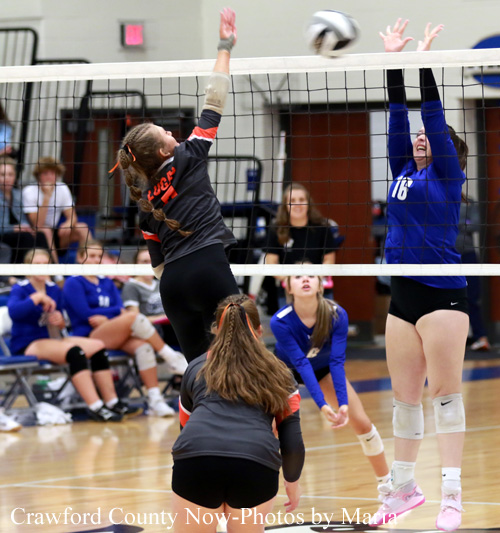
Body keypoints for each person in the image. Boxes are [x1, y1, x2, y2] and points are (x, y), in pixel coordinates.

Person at [370, 20, 471, 531]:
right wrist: (395, 62)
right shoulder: (403, 171)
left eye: (429, 137)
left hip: (442, 296)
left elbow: (431, 115)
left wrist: (424, 62)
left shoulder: (448, 176)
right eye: (418, 137)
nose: (419, 137)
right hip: (403, 294)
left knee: (445, 398)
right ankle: (404, 489)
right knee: (404, 401)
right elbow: (398, 116)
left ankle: (452, 496)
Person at [113, 8, 240, 362]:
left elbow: (157, 266)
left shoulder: (145, 202)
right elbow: (215, 99)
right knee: (242, 358)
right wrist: (225, 47)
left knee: (197, 369)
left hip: (172, 287)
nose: (172, 132)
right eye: (165, 132)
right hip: (208, 266)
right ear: (162, 151)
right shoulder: (189, 155)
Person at [172, 294, 304, 533]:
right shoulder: (280, 372)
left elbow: (185, 427)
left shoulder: (196, 368)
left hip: (197, 458)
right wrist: (292, 482)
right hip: (254, 461)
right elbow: (292, 440)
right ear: (260, 331)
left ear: (216, 330)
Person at [271, 271, 391, 498]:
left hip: (323, 369)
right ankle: (250, 494)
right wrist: (322, 405)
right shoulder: (280, 320)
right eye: (297, 276)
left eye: (311, 276)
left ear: (321, 284)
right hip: (284, 372)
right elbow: (301, 364)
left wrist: (342, 403)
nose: (305, 279)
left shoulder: (337, 314)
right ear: (288, 287)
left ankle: (387, 487)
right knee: (271, 431)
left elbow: (336, 362)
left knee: (362, 423)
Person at [8, 248, 136, 422]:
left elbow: (63, 322)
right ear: (27, 266)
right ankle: (95, 407)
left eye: (45, 264)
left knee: (98, 347)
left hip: (53, 339)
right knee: (75, 353)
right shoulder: (20, 288)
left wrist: (59, 320)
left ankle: (112, 402)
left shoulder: (53, 289)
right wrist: (36, 298)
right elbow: (14, 312)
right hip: (28, 343)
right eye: (37, 264)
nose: (42, 267)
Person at [63, 240, 185, 417]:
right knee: (133, 317)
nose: (96, 260)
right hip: (88, 337)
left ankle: (155, 400)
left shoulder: (106, 282)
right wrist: (112, 315)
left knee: (144, 347)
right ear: (80, 257)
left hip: (111, 333)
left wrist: (107, 318)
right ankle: (171, 357)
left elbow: (120, 308)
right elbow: (85, 314)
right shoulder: (73, 282)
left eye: (99, 256)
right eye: (91, 256)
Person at [263, 183, 342, 307]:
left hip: (320, 290)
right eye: (292, 201)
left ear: (308, 203)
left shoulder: (322, 227)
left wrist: (313, 279)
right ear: (285, 205)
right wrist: (290, 279)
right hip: (289, 290)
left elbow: (329, 260)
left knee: (325, 320)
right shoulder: (276, 229)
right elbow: (271, 263)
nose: (297, 204)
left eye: (301, 200)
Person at [22, 156, 92, 259]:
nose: (49, 177)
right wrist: (47, 197)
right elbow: (38, 225)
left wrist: (69, 223)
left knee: (82, 228)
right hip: (35, 235)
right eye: (45, 173)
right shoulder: (29, 191)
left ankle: (90, 262)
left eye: (53, 173)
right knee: (46, 230)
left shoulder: (62, 188)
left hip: (56, 233)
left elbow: (72, 216)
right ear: (38, 175)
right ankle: (55, 268)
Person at [122, 247, 179, 347]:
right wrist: (162, 318)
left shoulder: (160, 283)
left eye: (151, 261)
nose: (149, 265)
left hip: (170, 325)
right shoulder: (131, 286)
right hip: (153, 329)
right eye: (144, 262)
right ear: (136, 263)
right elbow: (135, 319)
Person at [0, 156, 49, 264]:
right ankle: (24, 270)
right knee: (25, 237)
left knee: (40, 235)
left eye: (10, 174)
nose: (7, 178)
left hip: (17, 234)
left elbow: (23, 220)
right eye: (2, 175)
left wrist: (27, 228)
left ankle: (51, 269)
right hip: (4, 234)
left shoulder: (18, 194)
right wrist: (14, 228)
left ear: (15, 176)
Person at [458, 197, 490, 351]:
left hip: (467, 254)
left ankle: (481, 337)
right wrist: (464, 223)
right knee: (445, 298)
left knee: (472, 297)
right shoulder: (438, 198)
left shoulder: (469, 202)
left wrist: (456, 223)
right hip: (444, 255)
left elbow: (475, 225)